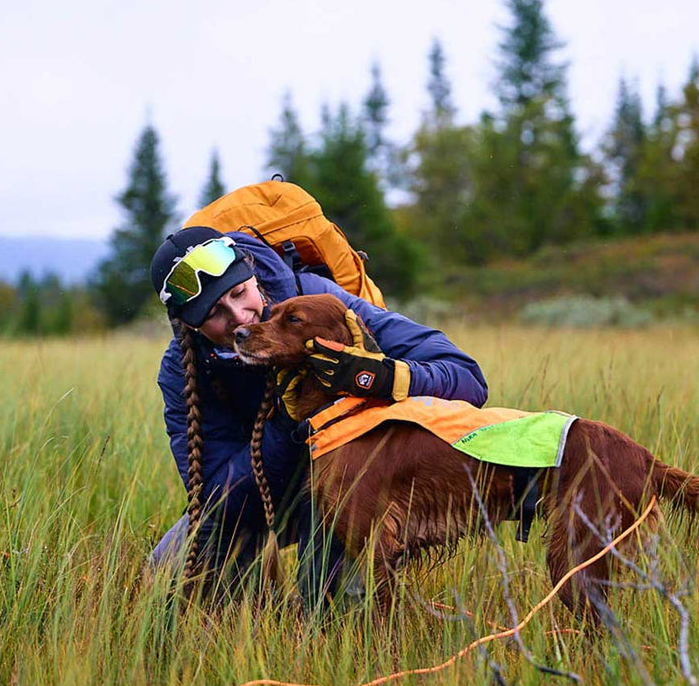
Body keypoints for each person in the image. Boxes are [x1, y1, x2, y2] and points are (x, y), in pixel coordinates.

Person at [149, 226, 488, 605]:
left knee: (332, 599)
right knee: (168, 570)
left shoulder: (322, 303)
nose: (240, 317)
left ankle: (355, 626)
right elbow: (219, 498)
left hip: (356, 476)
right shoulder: (182, 371)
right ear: (189, 326)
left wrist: (377, 376)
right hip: (272, 492)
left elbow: (468, 381)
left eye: (239, 293)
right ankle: (261, 625)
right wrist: (294, 421)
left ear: (251, 272)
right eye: (215, 314)